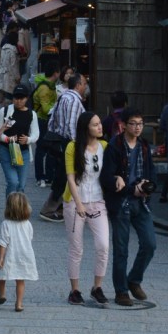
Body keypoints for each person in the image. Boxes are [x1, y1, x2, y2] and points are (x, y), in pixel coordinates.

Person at [101, 110, 157, 305]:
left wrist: (149, 187)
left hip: (141, 203)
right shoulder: (114, 146)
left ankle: (134, 279)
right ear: (124, 125)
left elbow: (151, 171)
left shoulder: (143, 146)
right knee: (121, 249)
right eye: (133, 123)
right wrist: (128, 187)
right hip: (121, 203)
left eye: (140, 123)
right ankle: (121, 291)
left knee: (150, 243)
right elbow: (106, 178)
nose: (138, 127)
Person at [63, 111, 110, 306]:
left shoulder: (106, 147)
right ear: (86, 128)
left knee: (103, 245)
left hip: (98, 201)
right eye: (95, 125)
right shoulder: (73, 147)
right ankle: (75, 290)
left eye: (100, 124)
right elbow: (71, 177)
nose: (100, 127)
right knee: (77, 248)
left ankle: (97, 286)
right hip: (75, 201)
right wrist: (79, 203)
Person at [39, 70, 87, 220]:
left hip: (61, 142)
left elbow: (53, 120)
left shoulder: (65, 97)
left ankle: (60, 208)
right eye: (85, 83)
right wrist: (76, 148)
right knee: (65, 177)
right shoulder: (73, 100)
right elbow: (72, 127)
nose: (86, 86)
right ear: (78, 84)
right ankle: (49, 209)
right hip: (69, 144)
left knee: (65, 177)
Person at [0, 191, 38, 311]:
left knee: (0, 275)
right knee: (20, 280)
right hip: (24, 254)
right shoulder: (28, 223)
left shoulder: (6, 224)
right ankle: (19, 304)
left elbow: (3, 242)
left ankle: (2, 293)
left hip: (10, 254)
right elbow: (30, 238)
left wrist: (1, 258)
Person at [0, 83, 38, 194]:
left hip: (23, 151)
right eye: (16, 97)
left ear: (26, 98)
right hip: (6, 150)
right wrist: (7, 139)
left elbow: (36, 133)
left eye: (21, 98)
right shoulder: (4, 111)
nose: (18, 101)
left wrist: (28, 139)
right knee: (13, 182)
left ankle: (18, 209)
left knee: (21, 185)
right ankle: (10, 208)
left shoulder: (31, 114)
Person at [32, 60, 60, 185]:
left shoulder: (51, 85)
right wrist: (56, 107)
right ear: (55, 73)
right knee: (41, 148)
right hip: (41, 120)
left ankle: (48, 175)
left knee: (48, 148)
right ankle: (40, 176)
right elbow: (45, 109)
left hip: (47, 120)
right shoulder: (45, 88)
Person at [0, 26, 21, 107]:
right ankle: (8, 111)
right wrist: (17, 77)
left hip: (2, 73)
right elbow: (13, 66)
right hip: (10, 76)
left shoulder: (4, 48)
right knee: (10, 94)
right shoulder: (12, 51)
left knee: (4, 93)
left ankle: (4, 109)